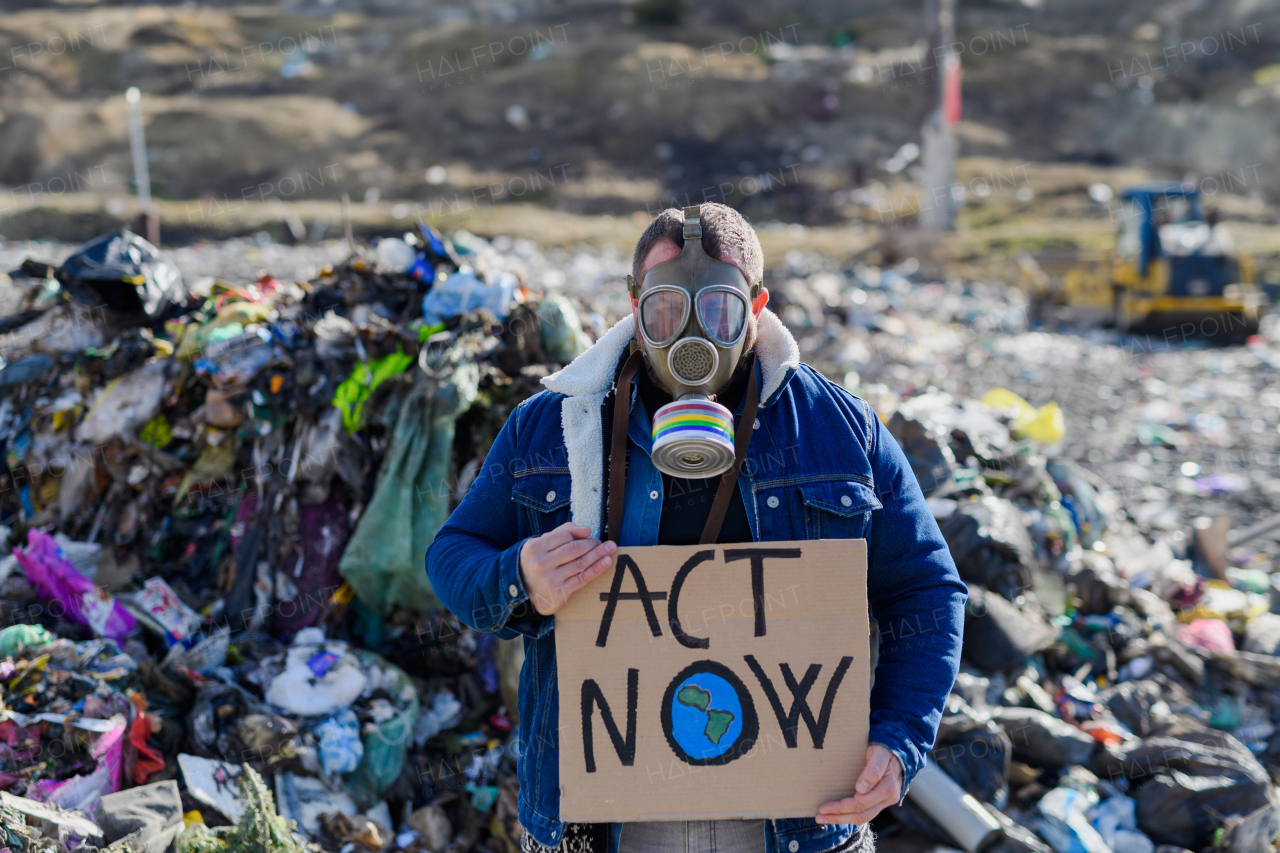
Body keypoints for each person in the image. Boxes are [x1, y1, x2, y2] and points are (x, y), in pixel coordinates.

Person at [427, 203, 966, 853]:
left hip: (794, 819)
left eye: (718, 309)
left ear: (758, 305)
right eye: (663, 310)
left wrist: (899, 735)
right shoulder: (551, 427)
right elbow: (452, 555)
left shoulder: (838, 430)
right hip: (610, 820)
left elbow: (926, 590)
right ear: (633, 305)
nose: (690, 336)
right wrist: (519, 577)